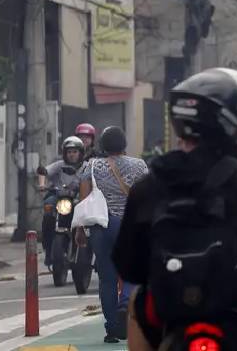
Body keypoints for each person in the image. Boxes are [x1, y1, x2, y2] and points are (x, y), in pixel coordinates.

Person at [114, 68, 237, 351]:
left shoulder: (150, 186)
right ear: (231, 123)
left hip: (172, 308)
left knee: (136, 302)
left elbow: (128, 265)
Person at [79, 126, 148, 343]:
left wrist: (80, 229)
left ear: (102, 145)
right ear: (123, 144)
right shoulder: (139, 165)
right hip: (128, 226)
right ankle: (125, 303)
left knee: (107, 279)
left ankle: (111, 329)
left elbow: (84, 199)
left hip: (100, 226)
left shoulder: (91, 166)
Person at [38, 136, 85, 267]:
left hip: (77, 199)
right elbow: (43, 171)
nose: (72, 155)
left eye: (74, 152)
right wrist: (42, 185)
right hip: (58, 196)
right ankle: (48, 248)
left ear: (80, 153)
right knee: (48, 209)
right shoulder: (59, 165)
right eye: (69, 152)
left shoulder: (86, 166)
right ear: (65, 153)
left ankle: (85, 250)